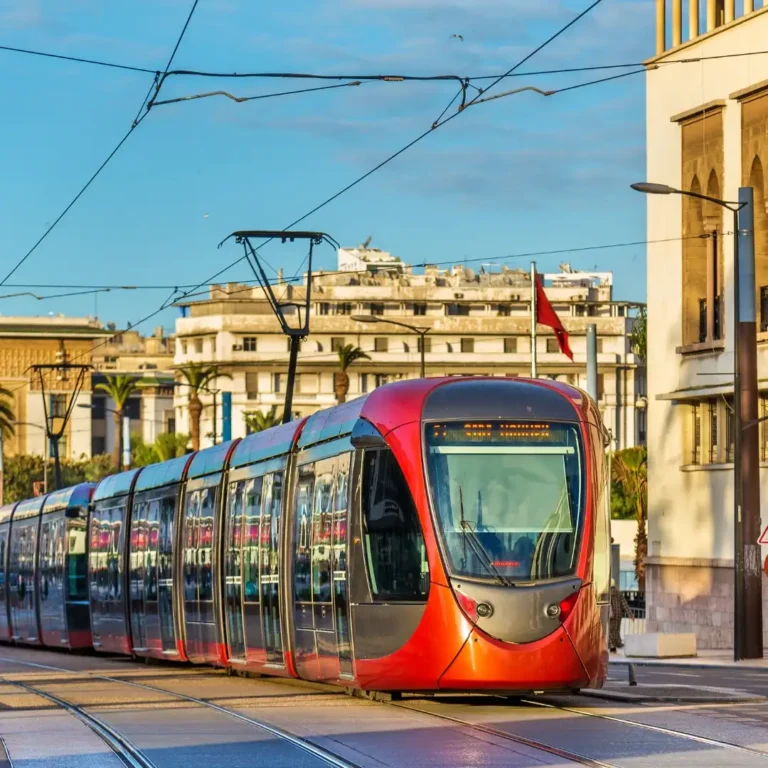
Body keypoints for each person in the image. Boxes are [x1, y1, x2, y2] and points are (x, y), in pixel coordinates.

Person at [609, 583, 632, 652]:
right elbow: (624, 603)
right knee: (616, 630)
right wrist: (630, 614)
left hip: (611, 614)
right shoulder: (618, 592)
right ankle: (617, 643)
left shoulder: (607, 593)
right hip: (618, 614)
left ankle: (612, 645)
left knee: (610, 630)